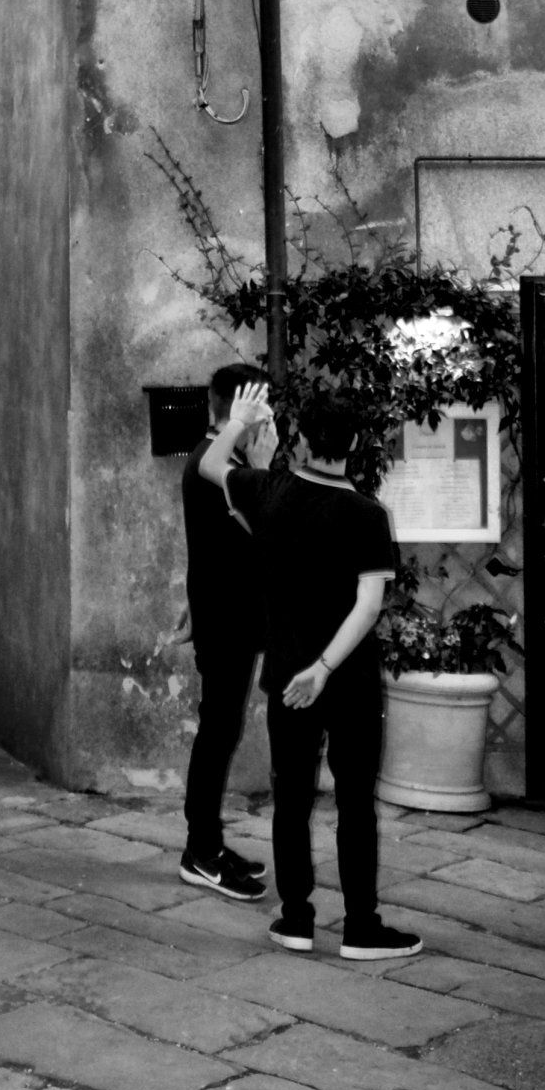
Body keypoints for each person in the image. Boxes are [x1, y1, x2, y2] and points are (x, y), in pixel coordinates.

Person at [202, 385, 424, 961]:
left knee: (292, 798)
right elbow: (367, 607)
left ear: (300, 439)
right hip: (348, 680)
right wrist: (324, 668)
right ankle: (361, 927)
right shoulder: (368, 515)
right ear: (355, 442)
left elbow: (210, 464)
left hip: (287, 677)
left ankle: (296, 919)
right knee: (355, 803)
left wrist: (239, 421)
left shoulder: (268, 491)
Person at [178, 364, 272, 902]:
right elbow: (266, 530)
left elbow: (220, 544)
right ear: (242, 408)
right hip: (227, 620)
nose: (271, 416)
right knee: (217, 732)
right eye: (263, 405)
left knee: (220, 729)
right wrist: (262, 466)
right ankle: (201, 852)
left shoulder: (224, 463)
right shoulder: (212, 464)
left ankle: (207, 842)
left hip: (228, 614)